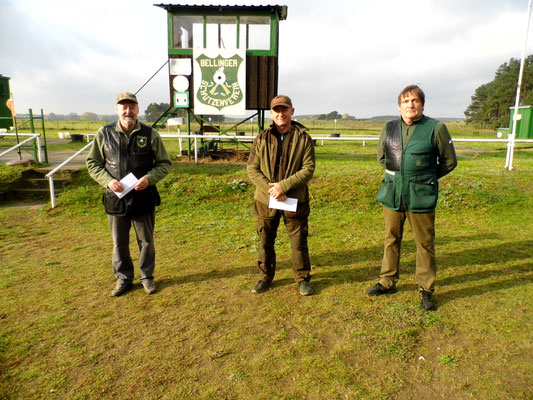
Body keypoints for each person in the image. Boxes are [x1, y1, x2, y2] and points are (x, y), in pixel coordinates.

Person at [367, 85, 457, 310]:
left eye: (415, 101)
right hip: (393, 194)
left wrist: (425, 178)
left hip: (420, 196)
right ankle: (387, 281)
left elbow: (449, 162)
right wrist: (400, 176)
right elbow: (382, 158)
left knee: (424, 243)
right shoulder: (389, 128)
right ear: (399, 106)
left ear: (422, 104)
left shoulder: (435, 128)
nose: (410, 105)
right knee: (391, 239)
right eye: (406, 101)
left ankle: (426, 288)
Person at [87, 92, 171, 297]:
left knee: (147, 242)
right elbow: (93, 163)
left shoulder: (150, 134)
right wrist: (108, 181)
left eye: (132, 107)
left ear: (138, 109)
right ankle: (123, 278)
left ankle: (147, 277)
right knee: (119, 242)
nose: (128, 111)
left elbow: (164, 164)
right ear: (117, 109)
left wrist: (149, 179)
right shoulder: (104, 133)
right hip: (116, 200)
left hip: (144, 197)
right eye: (123, 107)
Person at [247, 95, 316, 296]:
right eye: (276, 110)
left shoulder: (303, 138)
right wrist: (271, 189)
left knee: (298, 242)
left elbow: (308, 168)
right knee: (265, 241)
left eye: (284, 109)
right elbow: (252, 168)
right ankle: (265, 277)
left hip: (294, 199)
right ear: (271, 113)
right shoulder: (261, 138)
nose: (280, 113)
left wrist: (283, 187)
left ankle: (303, 279)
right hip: (266, 200)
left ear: (292, 111)